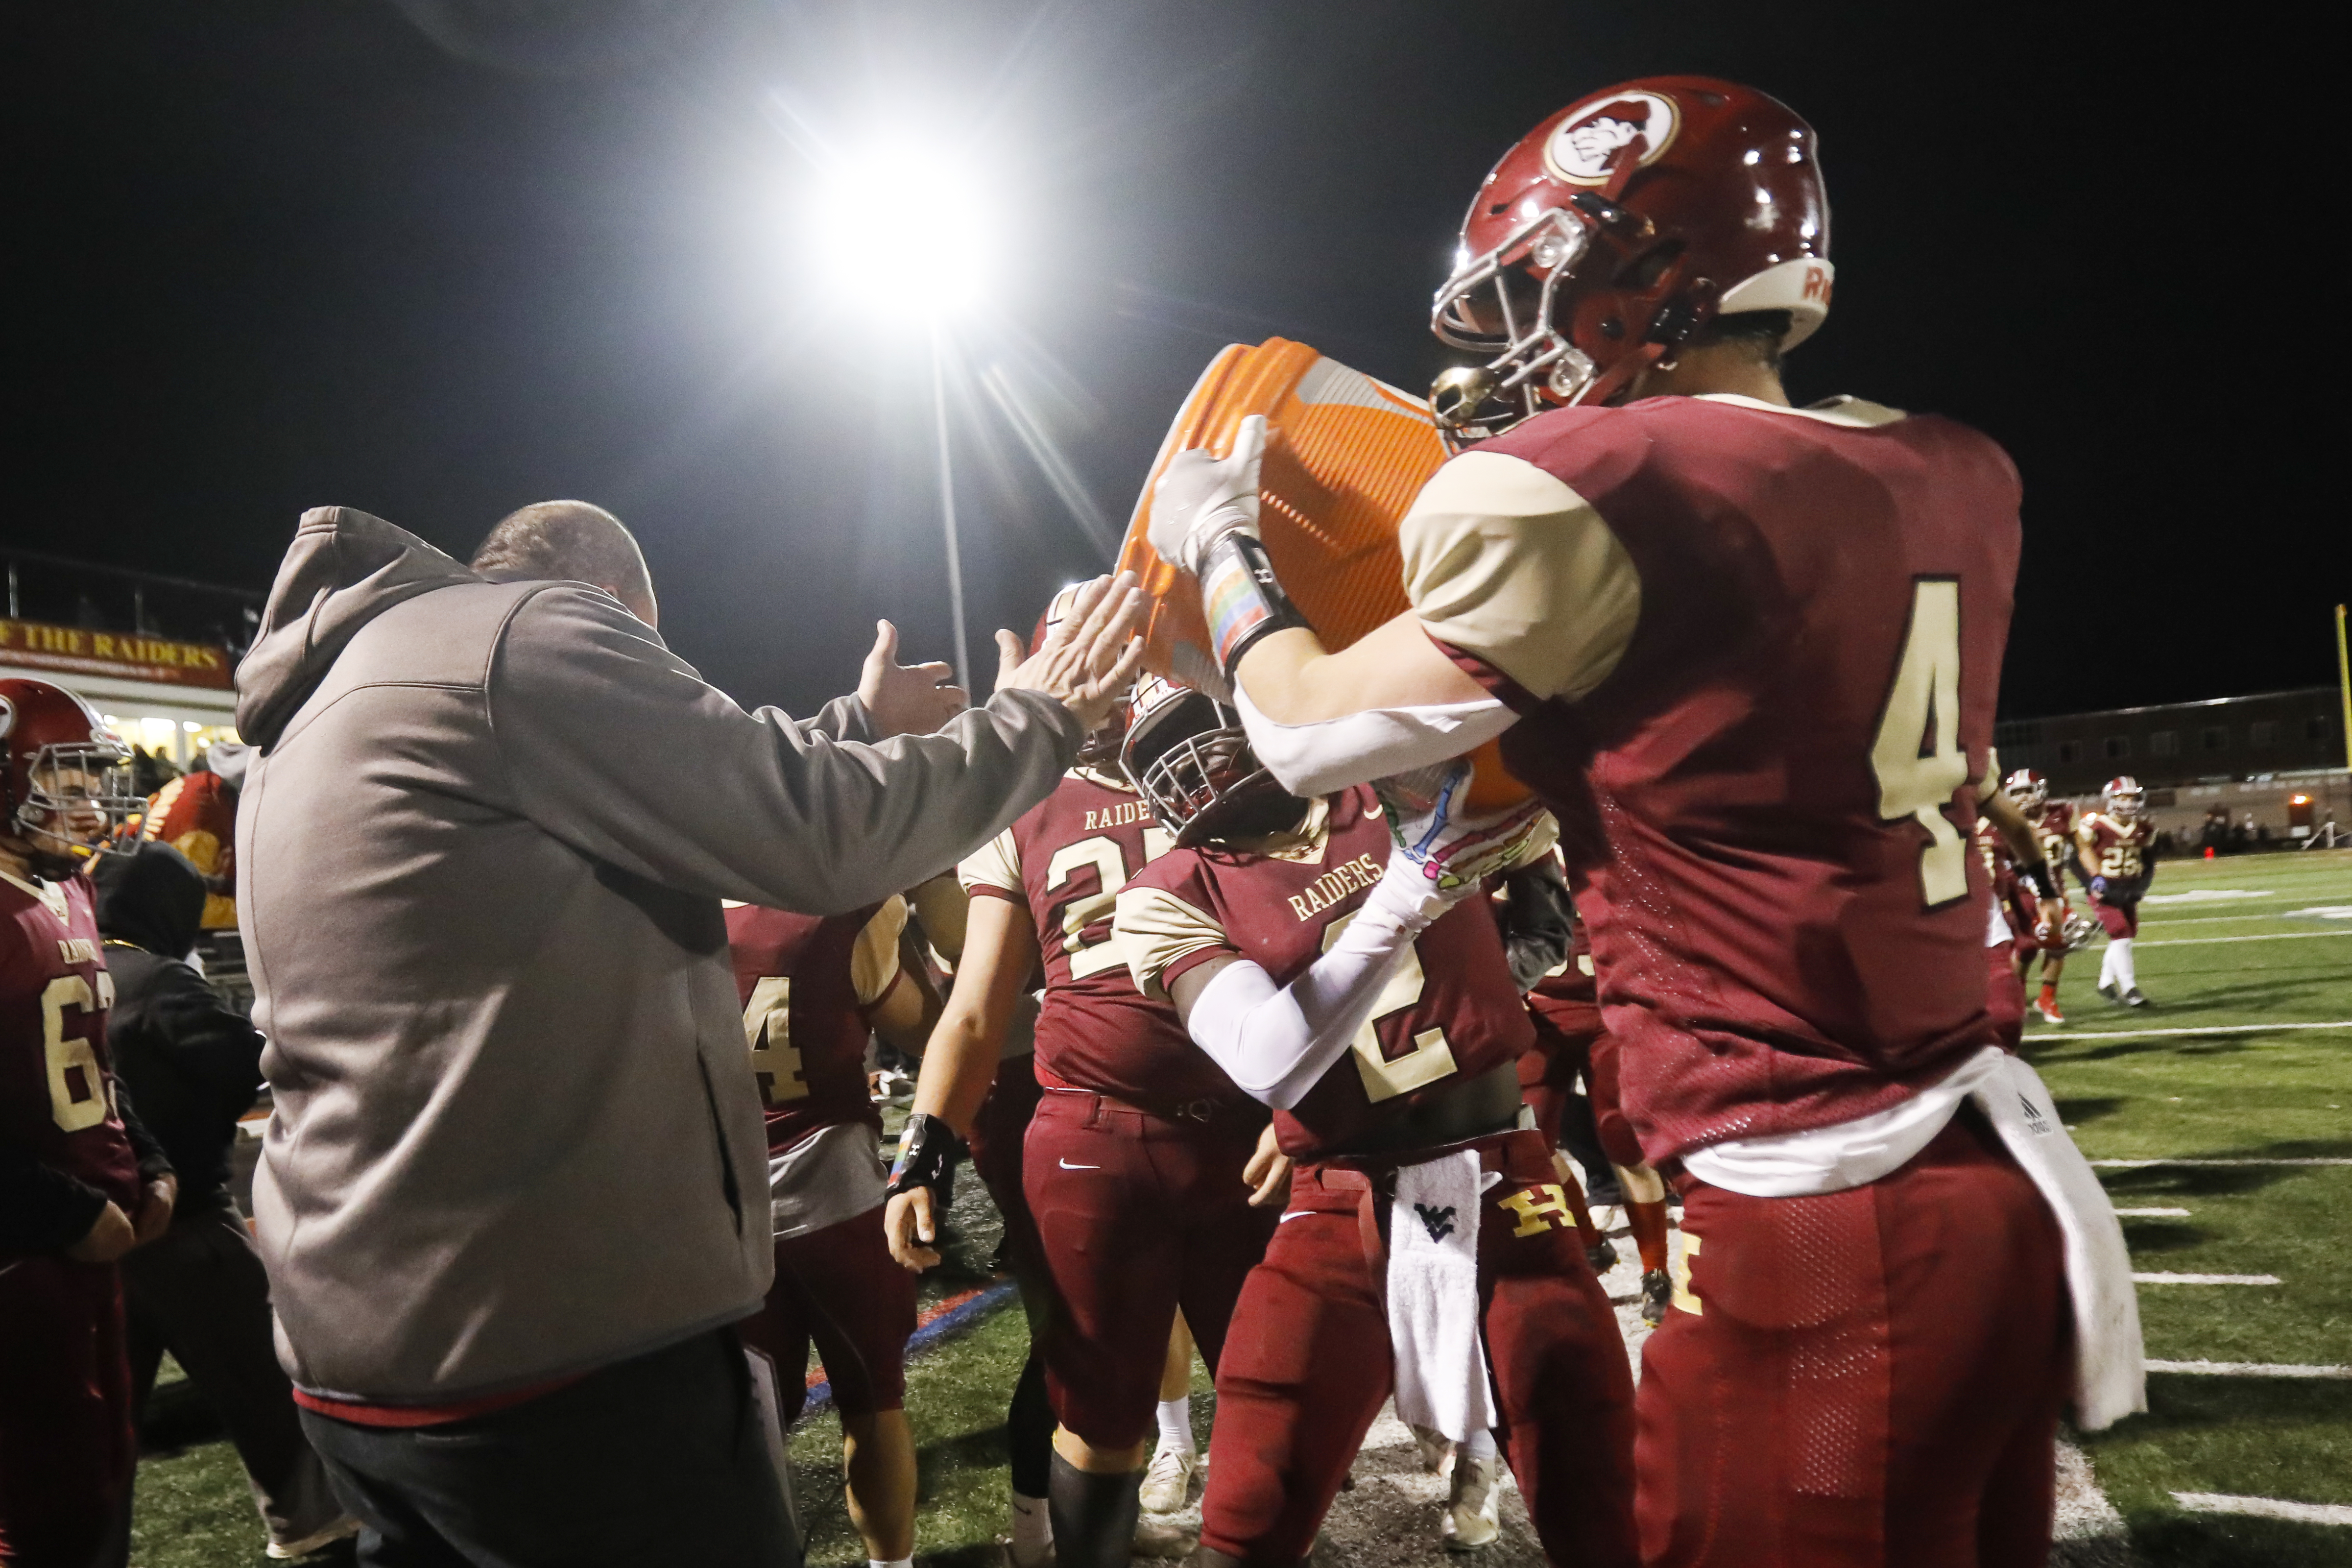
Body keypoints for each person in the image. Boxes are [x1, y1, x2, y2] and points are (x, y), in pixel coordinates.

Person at [1143, 76, 2140, 1568]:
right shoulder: (1946, 469)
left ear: (1644, 270)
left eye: (1540, 284)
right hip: (1978, 1177)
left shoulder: (1590, 485)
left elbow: (1301, 721)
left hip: (1817, 1219)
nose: (1518, 348)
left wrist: (1222, 540)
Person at [233, 499, 1141, 1568]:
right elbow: (809, 829)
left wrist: (849, 722)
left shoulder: (339, 696)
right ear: (619, 606)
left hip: (362, 1350)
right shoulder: (531, 632)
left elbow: (692, 784)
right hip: (552, 1349)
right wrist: (1036, 719)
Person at [1111, 700, 1638, 1567]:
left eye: (1193, 731)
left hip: (1503, 1170)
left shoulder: (1394, 783)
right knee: (1246, 1512)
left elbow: (1544, 819)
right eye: (1160, 753)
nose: (1191, 767)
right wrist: (1414, 883)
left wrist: (1482, 984)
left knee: (1603, 1504)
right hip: (1340, 1197)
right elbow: (1267, 1057)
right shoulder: (1163, 895)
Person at [885, 668, 1284, 1568]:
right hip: (1099, 1133)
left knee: (1277, 1392)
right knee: (1102, 1403)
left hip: (1243, 1128)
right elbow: (978, 1006)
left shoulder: (1227, 774)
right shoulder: (1028, 807)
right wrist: (924, 1148)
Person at [91, 839, 356, 1560]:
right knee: (266, 1392)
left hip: (93, 1240)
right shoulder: (160, 980)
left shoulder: (76, 969)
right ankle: (313, 1525)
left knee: (98, 1435)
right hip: (187, 1229)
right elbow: (250, 1064)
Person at [0, 678, 176, 1568]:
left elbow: (91, 1065)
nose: (86, 802)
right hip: (22, 1260)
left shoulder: (67, 890)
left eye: (89, 780)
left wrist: (146, 1159)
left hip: (89, 1255)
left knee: (94, 1488)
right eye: (63, 780)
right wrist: (62, 1215)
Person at [727, 890, 939, 1568]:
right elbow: (929, 1028)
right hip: (834, 1188)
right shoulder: (840, 903)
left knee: (747, 1424)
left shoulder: (659, 896)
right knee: (872, 1398)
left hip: (715, 1202)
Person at [2078, 776, 2155, 1006]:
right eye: (2123, 797)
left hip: (2129, 887)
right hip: (2106, 888)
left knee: (2126, 935)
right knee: (2120, 933)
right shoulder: (2096, 826)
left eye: (2133, 798)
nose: (2129, 803)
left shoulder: (2144, 828)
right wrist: (2093, 882)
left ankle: (2105, 983)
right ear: (2111, 800)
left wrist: (2142, 886)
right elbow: (2078, 857)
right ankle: (2130, 989)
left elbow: (2149, 860)